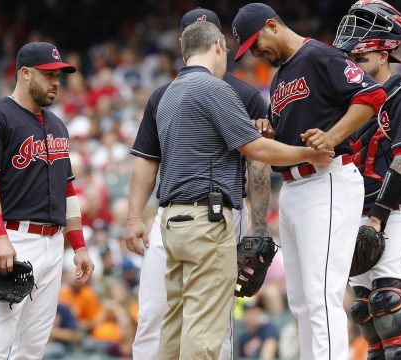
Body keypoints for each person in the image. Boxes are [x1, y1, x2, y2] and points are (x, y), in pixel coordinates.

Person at [124, 21, 334, 359]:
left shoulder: (166, 95)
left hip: (172, 222)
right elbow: (257, 151)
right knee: (204, 330)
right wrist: (309, 153)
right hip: (205, 222)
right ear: (218, 47)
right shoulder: (215, 88)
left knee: (173, 328)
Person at [232, 3, 386, 358]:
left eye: (256, 43)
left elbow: (372, 96)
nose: (255, 52)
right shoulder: (280, 75)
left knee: (321, 295)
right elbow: (287, 131)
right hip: (294, 188)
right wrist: (268, 127)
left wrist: (332, 136)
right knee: (300, 301)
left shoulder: (318, 55)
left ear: (272, 25)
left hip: (326, 182)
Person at [128, 8, 271, 360]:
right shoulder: (189, 91)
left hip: (195, 215)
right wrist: (134, 216)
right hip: (198, 218)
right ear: (218, 46)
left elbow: (257, 164)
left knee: (191, 323)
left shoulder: (182, 91)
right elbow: (258, 151)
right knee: (180, 320)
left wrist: (257, 226)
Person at [0, 41, 94, 359]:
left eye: (59, 76)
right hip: (13, 238)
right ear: (25, 73)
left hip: (53, 244)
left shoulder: (57, 125)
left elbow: (67, 189)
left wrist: (78, 246)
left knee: (32, 348)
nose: (56, 82)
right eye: (48, 74)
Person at [332, 1, 401, 358]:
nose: (355, 65)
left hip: (398, 213)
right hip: (359, 215)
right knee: (365, 314)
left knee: (389, 305)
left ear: (383, 53)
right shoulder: (352, 103)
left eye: (361, 59)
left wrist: (378, 217)